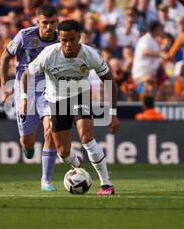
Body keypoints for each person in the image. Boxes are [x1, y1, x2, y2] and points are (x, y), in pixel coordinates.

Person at [20, 19, 120, 196]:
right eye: (64, 40)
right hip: (56, 100)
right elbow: (26, 75)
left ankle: (106, 184)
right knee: (63, 152)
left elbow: (110, 83)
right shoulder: (48, 54)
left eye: (72, 40)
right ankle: (76, 161)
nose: (68, 44)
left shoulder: (90, 55)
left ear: (79, 37)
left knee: (86, 137)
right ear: (59, 38)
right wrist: (24, 98)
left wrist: (113, 114)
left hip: (79, 94)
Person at [0, 4, 59, 192]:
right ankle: (27, 147)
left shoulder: (61, 39)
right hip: (25, 88)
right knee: (27, 141)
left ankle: (46, 181)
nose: (49, 27)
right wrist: (4, 87)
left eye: (52, 23)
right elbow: (4, 57)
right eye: (45, 23)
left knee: (50, 129)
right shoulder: (25, 36)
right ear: (37, 22)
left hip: (49, 88)